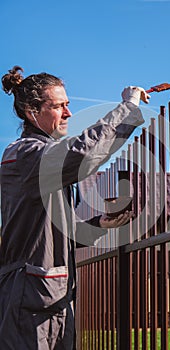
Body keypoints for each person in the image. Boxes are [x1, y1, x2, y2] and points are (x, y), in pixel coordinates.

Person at [0, 66, 150, 349]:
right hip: (29, 303)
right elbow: (84, 152)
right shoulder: (27, 156)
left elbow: (53, 230)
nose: (68, 114)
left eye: (68, 105)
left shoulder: (40, 161)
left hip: (44, 298)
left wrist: (98, 225)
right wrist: (128, 107)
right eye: (58, 106)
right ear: (32, 111)